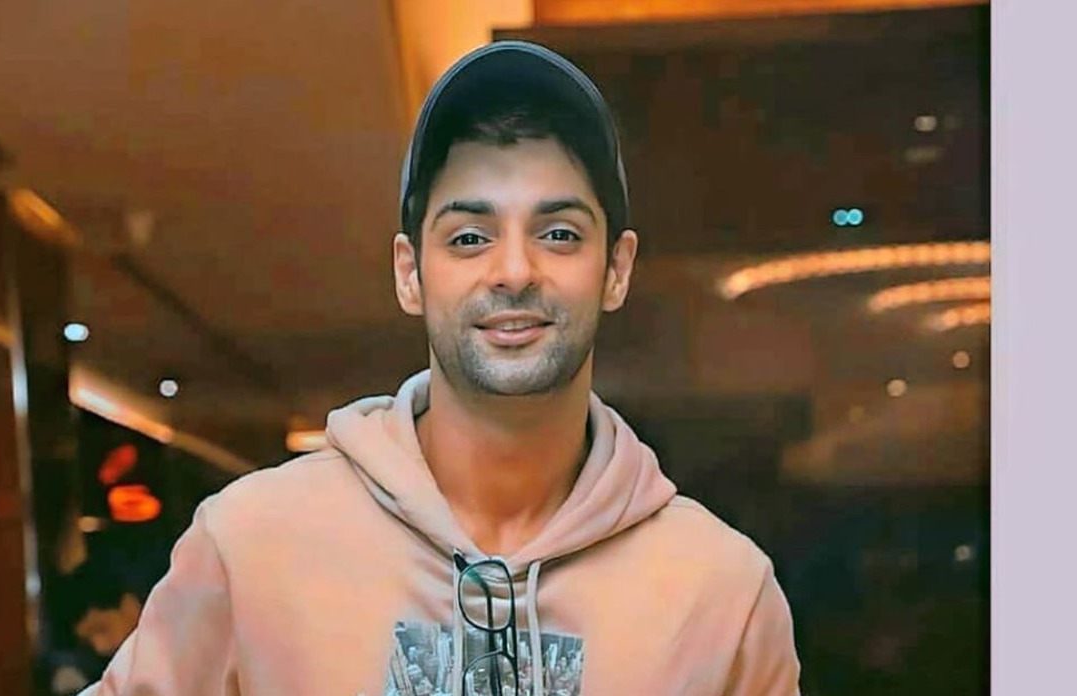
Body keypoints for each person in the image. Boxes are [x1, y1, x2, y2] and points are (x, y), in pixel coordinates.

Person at [78, 40, 801, 695]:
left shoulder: (723, 594)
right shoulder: (250, 545)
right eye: (468, 237)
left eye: (558, 233)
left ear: (616, 269)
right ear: (409, 273)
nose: (514, 270)